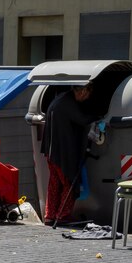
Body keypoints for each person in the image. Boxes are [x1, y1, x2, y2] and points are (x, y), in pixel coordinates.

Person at [41, 83, 99, 226]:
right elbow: (83, 119)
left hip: (51, 151)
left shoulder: (60, 99)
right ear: (83, 91)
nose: (86, 98)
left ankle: (50, 215)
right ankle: (63, 215)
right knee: (69, 182)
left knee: (54, 183)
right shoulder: (69, 103)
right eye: (87, 95)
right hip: (62, 153)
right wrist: (98, 116)